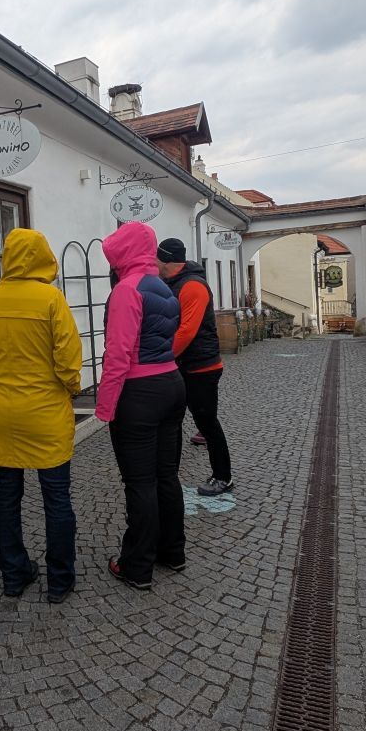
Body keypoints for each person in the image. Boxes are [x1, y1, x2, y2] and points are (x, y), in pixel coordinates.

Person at [0, 228, 82, 604]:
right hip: (45, 412)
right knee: (56, 498)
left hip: (4, 411)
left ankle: (14, 575)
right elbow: (68, 362)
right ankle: (59, 580)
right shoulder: (51, 299)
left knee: (8, 497)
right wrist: (71, 389)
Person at [95, 221, 186, 591]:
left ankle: (136, 565)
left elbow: (118, 354)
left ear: (121, 254)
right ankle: (173, 551)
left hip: (140, 390)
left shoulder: (125, 291)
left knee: (140, 482)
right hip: (172, 384)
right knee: (166, 476)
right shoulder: (165, 289)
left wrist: (105, 406)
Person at [156, 237, 233, 496]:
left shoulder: (192, 286)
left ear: (165, 260)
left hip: (202, 367)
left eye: (156, 258)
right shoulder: (172, 282)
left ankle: (223, 477)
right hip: (182, 365)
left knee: (207, 422)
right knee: (173, 420)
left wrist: (161, 358)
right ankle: (168, 475)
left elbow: (187, 331)